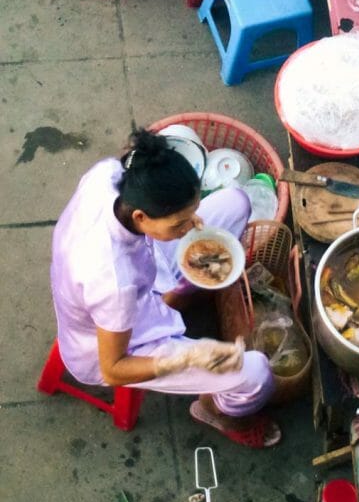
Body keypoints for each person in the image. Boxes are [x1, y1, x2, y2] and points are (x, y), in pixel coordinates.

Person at [50, 128, 280, 448]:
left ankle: (175, 297)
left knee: (237, 202)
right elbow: (113, 369)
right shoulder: (115, 282)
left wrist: (185, 218)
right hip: (114, 346)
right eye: (179, 224)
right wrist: (189, 358)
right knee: (255, 373)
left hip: (139, 273)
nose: (191, 227)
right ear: (142, 217)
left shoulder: (112, 174)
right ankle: (215, 411)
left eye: (191, 214)